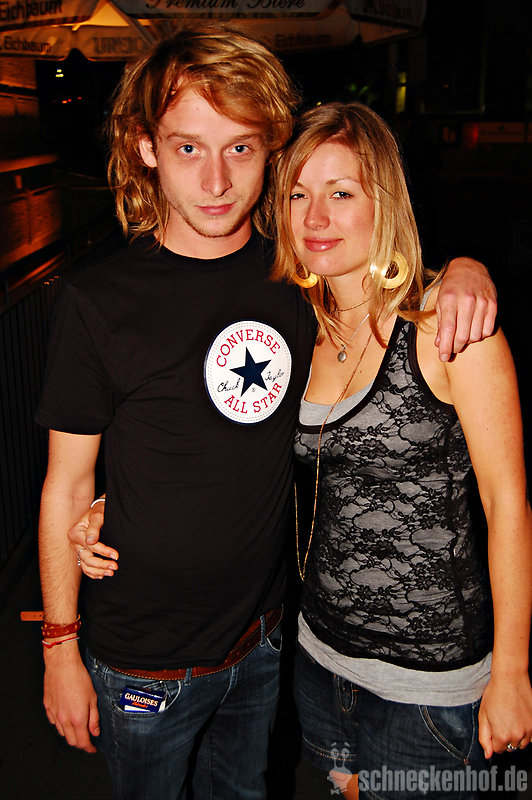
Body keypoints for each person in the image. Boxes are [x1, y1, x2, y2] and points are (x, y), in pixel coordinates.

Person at [38, 26, 497, 800]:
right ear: (147, 148)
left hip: (266, 643)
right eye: (188, 148)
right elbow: (66, 484)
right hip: (142, 660)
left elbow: (383, 275)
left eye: (241, 148)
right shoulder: (96, 302)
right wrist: (58, 647)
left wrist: (465, 268)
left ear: (271, 152)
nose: (216, 179)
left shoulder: (296, 277)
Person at [271, 102, 531, 799]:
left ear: (383, 201)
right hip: (318, 659)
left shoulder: (447, 324)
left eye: (340, 193)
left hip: (429, 689)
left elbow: (507, 504)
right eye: (297, 194)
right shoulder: (292, 327)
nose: (314, 217)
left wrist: (511, 672)